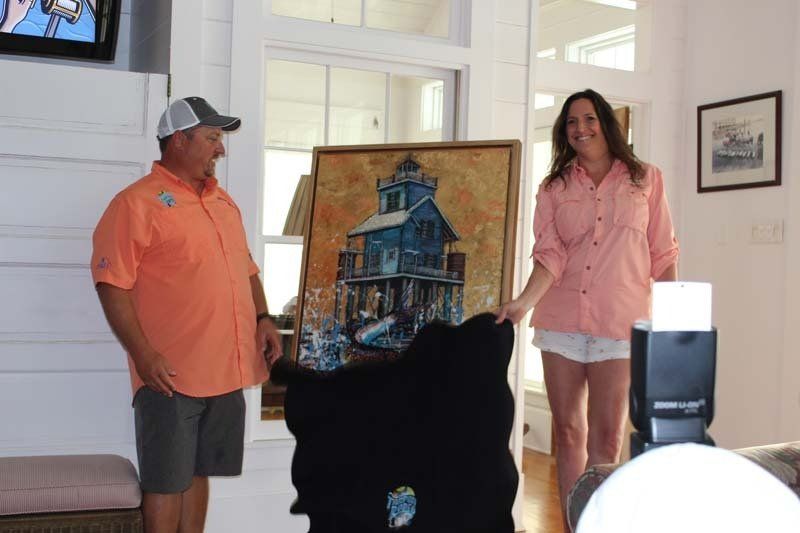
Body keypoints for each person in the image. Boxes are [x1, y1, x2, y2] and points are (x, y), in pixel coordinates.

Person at [91, 96, 283, 533]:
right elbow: (111, 284)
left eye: (221, 138)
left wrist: (263, 318)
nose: (221, 148)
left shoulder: (223, 203)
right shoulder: (135, 204)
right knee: (165, 480)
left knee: (199, 472)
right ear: (180, 140)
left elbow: (247, 269)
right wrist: (142, 355)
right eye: (213, 137)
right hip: (170, 376)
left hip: (227, 370)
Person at [495, 89, 679, 524]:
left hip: (619, 323)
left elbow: (663, 254)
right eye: (572, 122)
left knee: (608, 435)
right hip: (563, 321)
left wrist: (673, 324)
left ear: (606, 124)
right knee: (568, 430)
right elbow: (550, 255)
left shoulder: (645, 180)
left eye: (590, 119)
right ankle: (573, 522)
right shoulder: (554, 188)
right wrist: (522, 304)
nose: (581, 129)